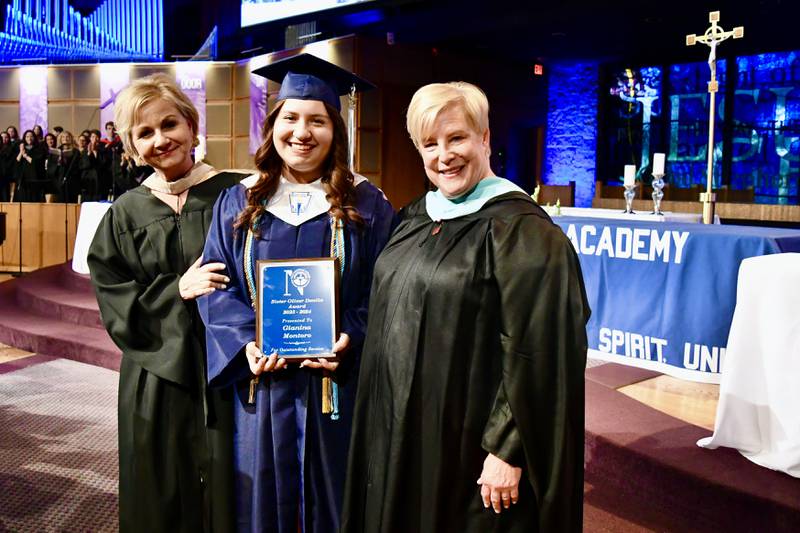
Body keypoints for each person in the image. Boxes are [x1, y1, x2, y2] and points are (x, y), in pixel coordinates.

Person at [341, 82, 590, 533]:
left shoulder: (523, 233)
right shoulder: (415, 217)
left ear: (485, 138)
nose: (444, 156)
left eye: (456, 138)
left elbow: (541, 351)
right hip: (403, 436)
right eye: (429, 144)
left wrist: (507, 449)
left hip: (470, 447)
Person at [199, 54, 395, 533]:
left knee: (337, 501)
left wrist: (351, 335)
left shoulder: (367, 203)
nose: (302, 132)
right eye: (290, 118)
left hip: (335, 389)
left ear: (336, 130)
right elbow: (217, 286)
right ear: (273, 126)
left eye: (317, 120)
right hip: (262, 387)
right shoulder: (239, 201)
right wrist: (245, 343)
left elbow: (388, 290)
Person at [87, 73, 246, 533]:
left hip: (229, 367)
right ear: (133, 148)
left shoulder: (237, 194)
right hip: (156, 373)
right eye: (145, 133)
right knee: (159, 486)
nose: (161, 140)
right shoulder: (126, 213)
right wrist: (176, 290)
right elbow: (114, 297)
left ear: (193, 128)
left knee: (230, 486)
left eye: (169, 124)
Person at [14, 129, 46, 201]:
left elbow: (36, 162)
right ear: (24, 138)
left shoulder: (39, 148)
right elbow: (17, 161)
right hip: (23, 177)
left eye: (31, 136)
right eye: (27, 136)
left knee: (33, 198)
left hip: (34, 176)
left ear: (34, 138)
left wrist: (25, 156)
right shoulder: (22, 148)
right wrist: (21, 151)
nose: (29, 138)